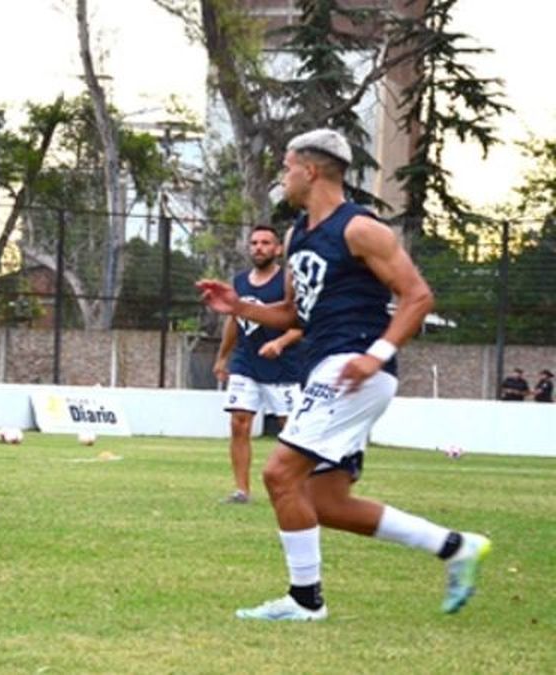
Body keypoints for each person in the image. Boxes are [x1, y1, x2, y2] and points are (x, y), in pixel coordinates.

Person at [197, 128, 490, 621]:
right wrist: (240, 304)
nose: (283, 177)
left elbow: (418, 296)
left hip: (351, 366)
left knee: (279, 474)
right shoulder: (298, 234)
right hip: (328, 367)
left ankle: (304, 602)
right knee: (326, 501)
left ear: (310, 170)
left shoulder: (360, 228)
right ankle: (454, 547)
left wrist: (375, 354)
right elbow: (294, 313)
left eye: (287, 167)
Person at [212, 225, 303, 504]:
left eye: (266, 243)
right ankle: (242, 491)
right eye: (254, 243)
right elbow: (233, 320)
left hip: (283, 366)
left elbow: (302, 324)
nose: (259, 247)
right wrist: (223, 356)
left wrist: (280, 343)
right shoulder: (239, 282)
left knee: (291, 430)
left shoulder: (288, 280)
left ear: (278, 249)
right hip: (246, 362)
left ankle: (298, 487)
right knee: (239, 423)